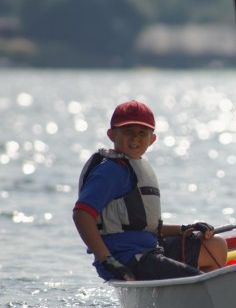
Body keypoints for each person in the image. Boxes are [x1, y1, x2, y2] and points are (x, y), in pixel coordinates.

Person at [73, 100, 227, 281]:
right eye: (127, 132)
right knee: (203, 280)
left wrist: (184, 229)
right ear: (111, 135)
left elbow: (146, 227)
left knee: (216, 245)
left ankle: (205, 303)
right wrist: (108, 261)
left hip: (149, 250)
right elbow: (81, 214)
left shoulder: (136, 166)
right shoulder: (110, 171)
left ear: (152, 139)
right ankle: (206, 297)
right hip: (128, 259)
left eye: (142, 133)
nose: (135, 138)